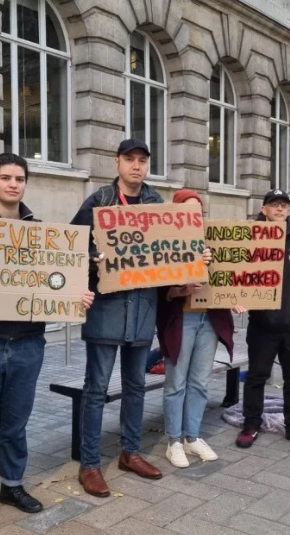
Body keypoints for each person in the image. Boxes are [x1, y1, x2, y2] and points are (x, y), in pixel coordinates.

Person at [0, 153, 95, 535]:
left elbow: (57, 282)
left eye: (19, 178)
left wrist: (77, 296)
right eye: (6, 177)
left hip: (28, 343)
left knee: (15, 425)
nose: (13, 184)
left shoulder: (41, 232)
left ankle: (12, 487)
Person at [70, 138, 166, 497]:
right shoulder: (99, 201)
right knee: (96, 389)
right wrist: (91, 256)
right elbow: (71, 243)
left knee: (136, 386)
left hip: (142, 309)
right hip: (106, 309)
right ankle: (90, 464)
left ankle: (131, 452)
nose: (136, 166)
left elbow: (171, 252)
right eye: (130, 159)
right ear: (117, 163)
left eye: (142, 160)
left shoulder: (157, 205)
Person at [156, 189, 239, 468]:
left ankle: (192, 436)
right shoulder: (164, 242)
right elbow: (157, 289)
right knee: (176, 382)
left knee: (200, 382)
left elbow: (232, 272)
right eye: (187, 211)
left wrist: (238, 297)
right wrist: (179, 290)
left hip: (210, 320)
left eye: (198, 212)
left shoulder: (213, 241)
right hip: (181, 321)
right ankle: (173, 441)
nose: (194, 217)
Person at [235, 189, 290, 449]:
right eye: (274, 205)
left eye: (284, 206)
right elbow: (240, 272)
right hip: (263, 325)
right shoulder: (251, 238)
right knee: (257, 376)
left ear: (289, 211)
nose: (280, 210)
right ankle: (251, 423)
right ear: (264, 209)